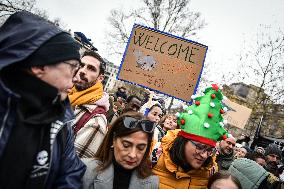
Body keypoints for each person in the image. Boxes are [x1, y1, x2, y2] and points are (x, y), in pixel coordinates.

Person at [0, 11, 86, 188]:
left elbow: (71, 173)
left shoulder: (61, 119)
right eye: (73, 68)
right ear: (39, 65)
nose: (76, 79)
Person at [150, 84, 230, 188]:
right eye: (200, 147)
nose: (205, 155)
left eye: (210, 150)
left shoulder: (211, 171)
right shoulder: (154, 153)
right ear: (183, 141)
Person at [82, 112, 159, 189]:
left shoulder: (152, 183)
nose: (132, 155)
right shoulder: (84, 170)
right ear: (113, 140)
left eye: (141, 148)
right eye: (126, 145)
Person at [69, 50, 110, 158]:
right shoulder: (63, 96)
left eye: (91, 68)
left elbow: (71, 168)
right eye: (81, 65)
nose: (82, 71)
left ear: (100, 78)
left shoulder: (95, 122)